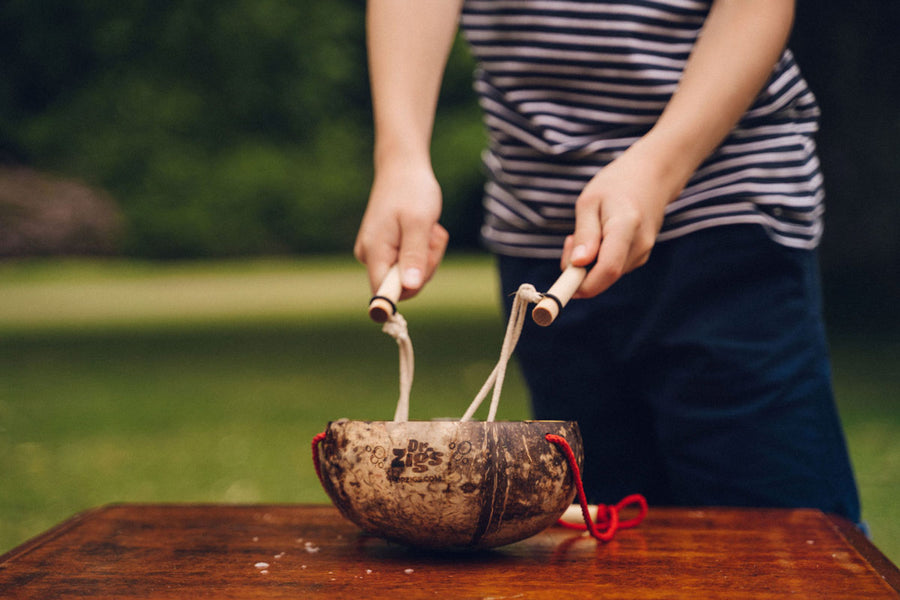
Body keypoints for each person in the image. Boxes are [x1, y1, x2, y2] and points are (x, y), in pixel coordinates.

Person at [354, 0, 861, 523]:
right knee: (600, 532)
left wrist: (661, 166)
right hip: (543, 231)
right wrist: (401, 155)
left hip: (723, 209)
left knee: (782, 540)